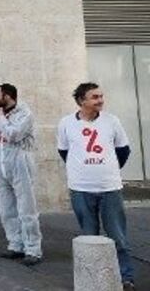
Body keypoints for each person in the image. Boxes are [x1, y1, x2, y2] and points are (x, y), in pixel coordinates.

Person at [58, 83, 134, 290]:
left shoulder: (112, 121)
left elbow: (123, 150)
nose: (100, 100)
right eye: (95, 97)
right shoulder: (66, 123)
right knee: (89, 236)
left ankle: (126, 277)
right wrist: (81, 170)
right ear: (82, 101)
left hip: (110, 187)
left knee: (117, 235)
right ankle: (92, 279)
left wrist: (108, 169)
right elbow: (64, 151)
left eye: (101, 96)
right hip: (81, 188)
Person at [0, 83, 42, 265]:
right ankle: (15, 244)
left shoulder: (25, 114)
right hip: (1, 163)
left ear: (7, 96)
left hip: (20, 162)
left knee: (26, 208)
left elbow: (14, 134)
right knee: (7, 208)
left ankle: (33, 249)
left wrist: (1, 119)